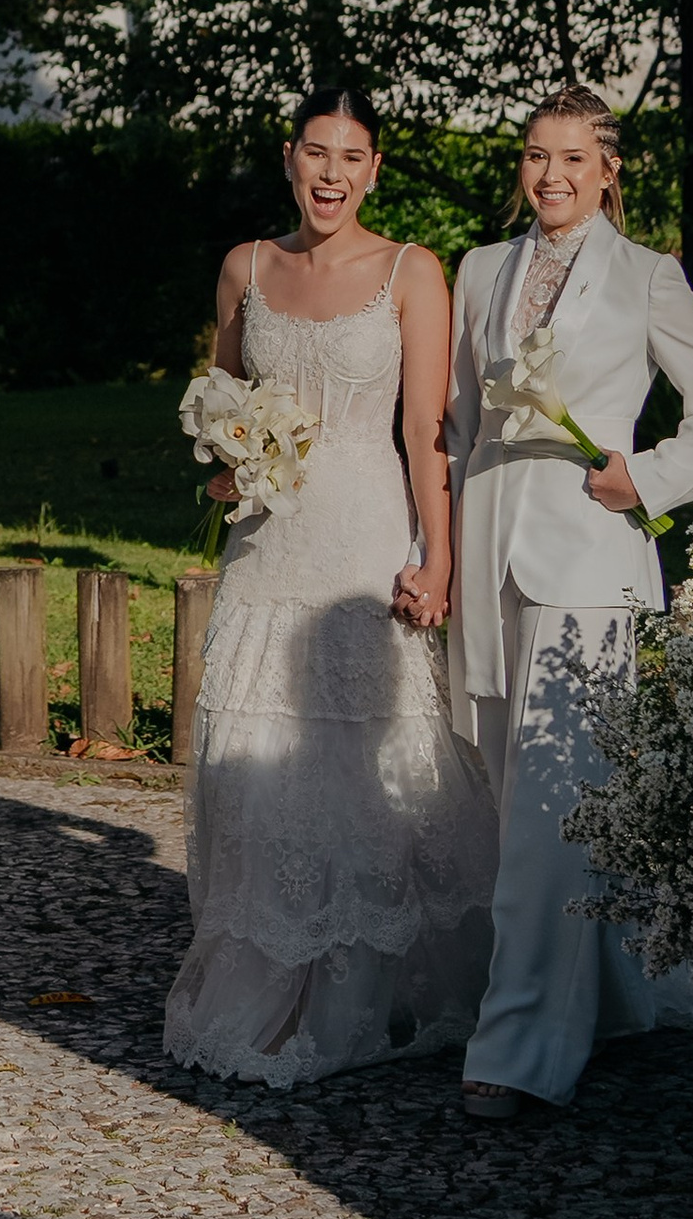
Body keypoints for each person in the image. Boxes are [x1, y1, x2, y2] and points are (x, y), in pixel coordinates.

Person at [166, 85, 500, 1088]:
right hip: (270, 534)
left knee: (368, 753)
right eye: (317, 153)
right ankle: (273, 971)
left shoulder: (412, 271)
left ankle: (372, 983)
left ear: (374, 170)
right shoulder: (245, 266)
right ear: (288, 156)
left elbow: (425, 429)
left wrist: (436, 558)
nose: (331, 174)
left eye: (352, 158)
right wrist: (228, 462)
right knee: (260, 741)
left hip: (364, 525)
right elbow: (222, 397)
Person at [445, 84, 693, 1124]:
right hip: (487, 548)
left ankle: (523, 1044)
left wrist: (648, 477)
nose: (552, 175)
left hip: (586, 555)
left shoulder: (646, 277)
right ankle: (618, 988)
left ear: (608, 168)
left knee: (549, 812)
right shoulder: (479, 270)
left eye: (573, 158)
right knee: (508, 793)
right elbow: (454, 424)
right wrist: (437, 550)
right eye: (537, 155)